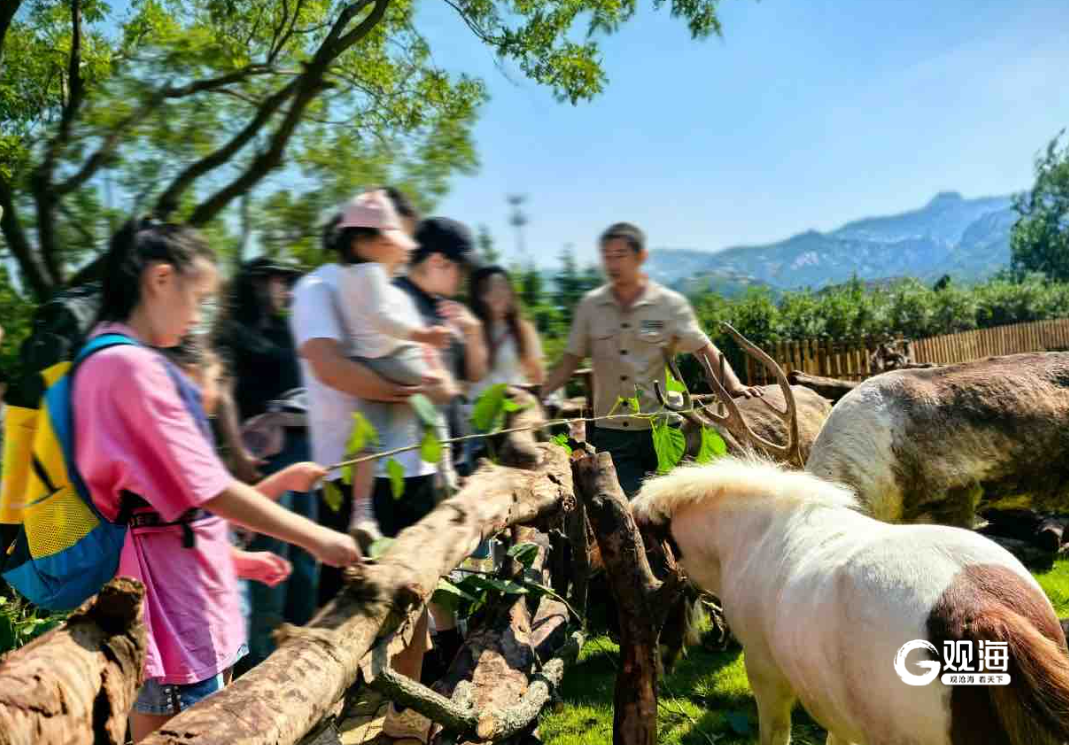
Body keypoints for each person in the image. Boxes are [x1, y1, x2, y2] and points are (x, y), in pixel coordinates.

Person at [73, 218, 360, 742]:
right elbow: (208, 488)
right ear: (161, 279)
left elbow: (170, 502)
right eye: (197, 297)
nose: (196, 317)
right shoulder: (130, 368)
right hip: (171, 608)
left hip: (176, 591)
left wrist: (238, 560)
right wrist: (316, 537)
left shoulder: (107, 358)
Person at [540, 222, 761, 498]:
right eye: (607, 256)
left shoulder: (667, 305)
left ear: (641, 257)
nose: (612, 263)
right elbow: (570, 359)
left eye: (620, 255)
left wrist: (734, 385)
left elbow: (703, 348)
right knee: (629, 511)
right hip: (613, 436)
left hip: (663, 429)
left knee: (670, 509)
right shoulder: (591, 307)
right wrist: (541, 393)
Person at [212, 255, 322, 671]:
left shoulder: (285, 328)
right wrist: (238, 454)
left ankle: (302, 652)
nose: (286, 288)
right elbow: (221, 392)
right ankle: (262, 662)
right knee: (267, 557)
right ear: (257, 282)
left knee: (306, 553)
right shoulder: (230, 332)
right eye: (280, 280)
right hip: (260, 456)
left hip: (301, 447)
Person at [332, 190, 454, 550]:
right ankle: (447, 468)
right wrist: (425, 335)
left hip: (366, 363)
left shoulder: (346, 277)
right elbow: (382, 319)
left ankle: (362, 510)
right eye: (390, 241)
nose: (399, 250)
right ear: (363, 241)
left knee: (366, 438)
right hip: (395, 356)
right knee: (433, 406)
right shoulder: (372, 274)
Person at [465, 264, 545, 458]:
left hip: (514, 415)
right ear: (480, 295)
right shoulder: (471, 328)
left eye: (503, 287)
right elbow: (475, 375)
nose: (500, 293)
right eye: (491, 289)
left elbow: (538, 376)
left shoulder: (522, 329)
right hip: (481, 420)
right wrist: (474, 332)